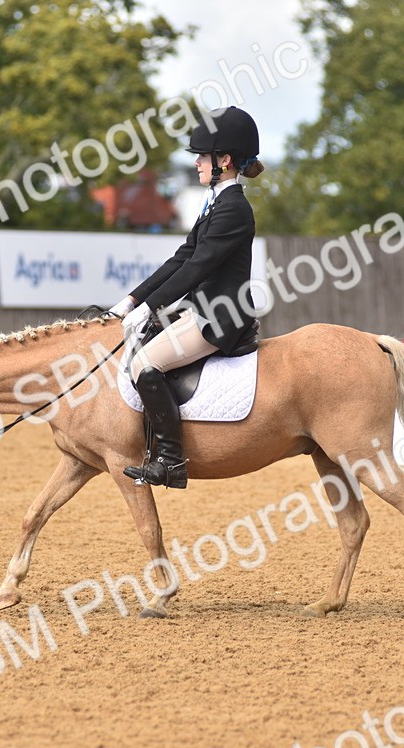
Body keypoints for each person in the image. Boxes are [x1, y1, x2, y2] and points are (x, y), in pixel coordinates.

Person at [109, 106, 265, 489]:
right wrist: (132, 300)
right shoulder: (216, 202)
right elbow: (182, 258)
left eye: (202, 157)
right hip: (201, 310)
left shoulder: (234, 209)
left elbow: (197, 268)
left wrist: (151, 307)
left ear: (224, 161)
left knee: (145, 364)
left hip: (220, 318)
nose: (196, 163)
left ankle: (171, 462)